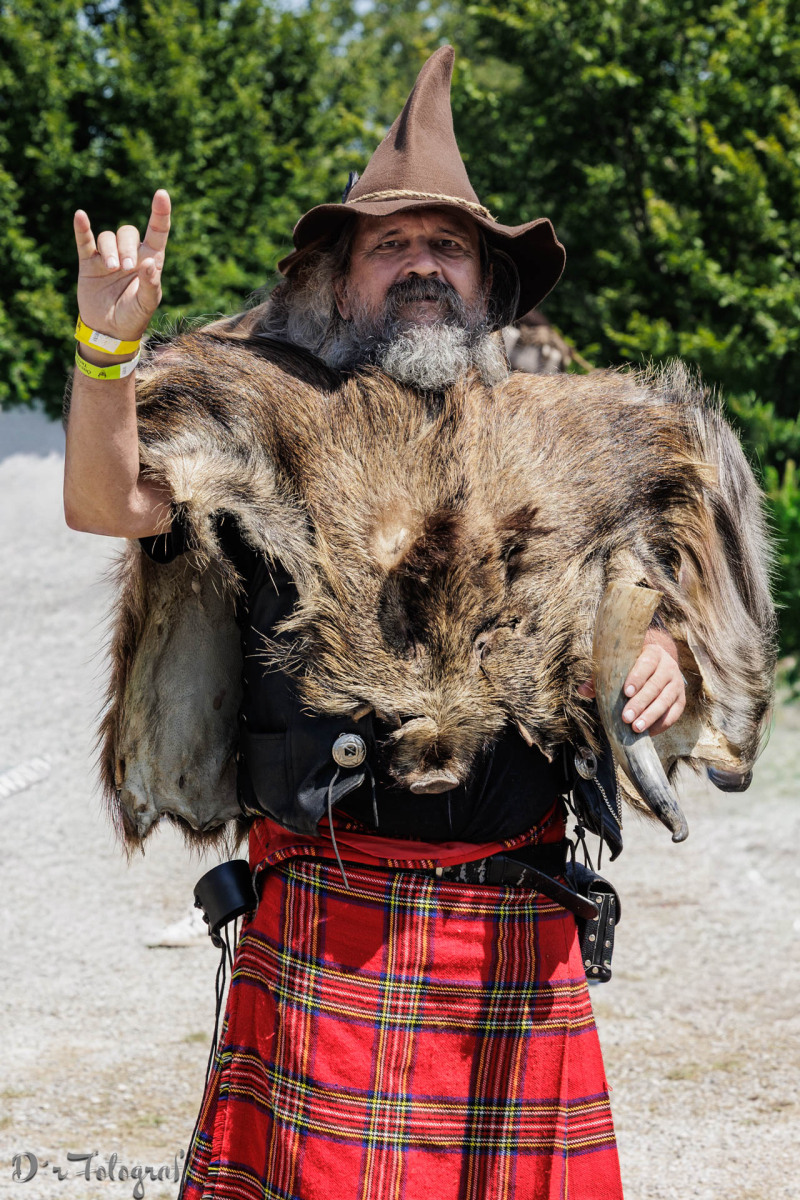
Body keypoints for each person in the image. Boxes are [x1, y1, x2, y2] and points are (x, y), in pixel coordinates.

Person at [65, 47, 686, 1200]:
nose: (421, 264)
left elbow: (645, 596)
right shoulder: (262, 406)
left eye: (447, 244)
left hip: (518, 916)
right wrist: (107, 353)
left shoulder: (563, 436)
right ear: (339, 278)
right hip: (331, 923)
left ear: (486, 279)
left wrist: (657, 652)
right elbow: (111, 504)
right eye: (390, 244)